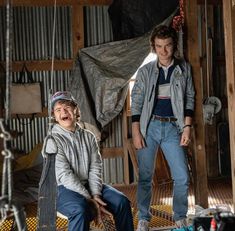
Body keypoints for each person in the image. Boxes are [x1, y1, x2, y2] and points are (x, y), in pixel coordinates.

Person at [131, 25, 195, 231]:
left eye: (167, 46)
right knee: (145, 176)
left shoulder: (184, 69)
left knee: (182, 176)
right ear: (154, 47)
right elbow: (137, 101)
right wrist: (136, 130)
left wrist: (187, 127)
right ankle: (143, 217)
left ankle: (179, 216)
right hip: (149, 127)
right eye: (159, 46)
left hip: (173, 128)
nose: (164, 51)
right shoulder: (145, 71)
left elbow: (189, 99)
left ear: (174, 45)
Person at [45, 91, 134, 231]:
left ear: (75, 110)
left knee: (121, 201)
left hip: (88, 185)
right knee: (80, 209)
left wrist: (96, 194)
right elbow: (64, 175)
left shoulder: (89, 136)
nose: (63, 111)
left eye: (67, 107)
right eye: (58, 109)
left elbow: (95, 168)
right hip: (62, 188)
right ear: (55, 116)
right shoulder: (52, 141)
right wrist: (90, 200)